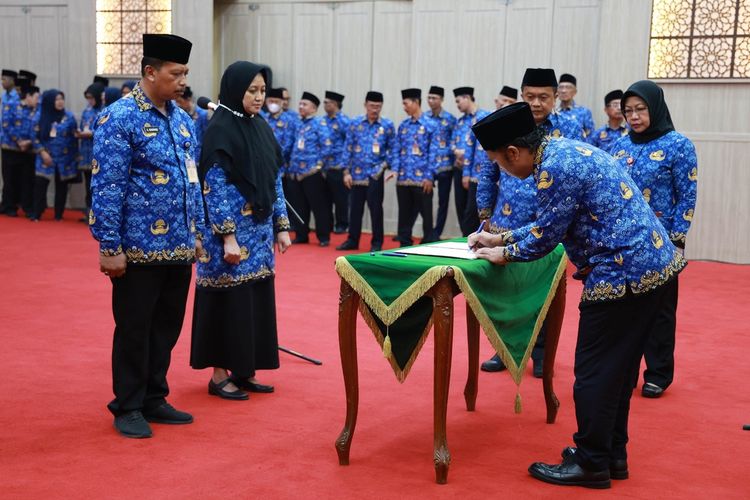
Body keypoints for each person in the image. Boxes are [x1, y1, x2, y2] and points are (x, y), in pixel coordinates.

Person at [469, 102, 686, 489]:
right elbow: (553, 220)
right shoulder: (562, 149)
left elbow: (547, 236)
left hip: (624, 274)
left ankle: (590, 462)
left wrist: (502, 254)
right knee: (617, 373)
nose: (503, 170)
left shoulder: (554, 167)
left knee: (593, 374)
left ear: (514, 152)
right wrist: (500, 236)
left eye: (499, 163)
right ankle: (609, 454)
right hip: (653, 267)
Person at [89, 34, 201, 439]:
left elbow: (194, 181)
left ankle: (155, 396)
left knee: (167, 327)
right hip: (136, 249)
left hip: (179, 246)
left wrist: (199, 233)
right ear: (150, 72)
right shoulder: (119, 118)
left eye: (185, 73)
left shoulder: (183, 120)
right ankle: (129, 404)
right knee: (135, 327)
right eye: (175, 73)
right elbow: (107, 186)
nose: (183, 81)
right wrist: (109, 246)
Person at [190, 60, 292, 400]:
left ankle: (244, 369)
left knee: (253, 301)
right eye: (252, 90)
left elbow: (274, 178)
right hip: (228, 239)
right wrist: (228, 235)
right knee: (227, 302)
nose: (260, 97)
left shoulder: (260, 127)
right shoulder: (220, 129)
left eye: (263, 90)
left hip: (259, 236)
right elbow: (213, 187)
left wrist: (281, 226)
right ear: (235, 90)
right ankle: (219, 375)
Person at [477, 68, 584, 374]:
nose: (536, 103)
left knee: (546, 292)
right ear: (522, 96)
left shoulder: (569, 127)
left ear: (555, 97)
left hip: (550, 224)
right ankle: (506, 349)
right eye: (530, 97)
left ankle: (541, 353)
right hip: (507, 222)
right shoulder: (506, 125)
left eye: (543, 97)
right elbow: (488, 172)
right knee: (508, 294)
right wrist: (485, 214)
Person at [610, 80, 697, 399]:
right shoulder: (619, 145)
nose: (633, 116)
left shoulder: (678, 145)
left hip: (661, 243)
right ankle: (626, 370)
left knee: (659, 310)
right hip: (623, 241)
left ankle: (658, 372)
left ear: (655, 108)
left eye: (640, 109)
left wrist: (678, 239)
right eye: (628, 111)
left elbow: (687, 195)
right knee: (622, 307)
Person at [335, 91, 396, 252]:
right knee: (354, 210)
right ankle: (352, 240)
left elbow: (393, 150)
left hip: (375, 175)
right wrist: (346, 172)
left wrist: (386, 167)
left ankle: (377, 242)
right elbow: (347, 148)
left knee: (376, 210)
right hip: (356, 175)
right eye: (371, 106)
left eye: (378, 106)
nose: (374, 109)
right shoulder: (355, 123)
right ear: (365, 105)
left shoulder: (387, 125)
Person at [286, 91, 332, 246]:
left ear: (313, 108)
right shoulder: (296, 123)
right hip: (295, 172)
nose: (300, 106)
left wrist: (318, 165)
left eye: (304, 104)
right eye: (300, 103)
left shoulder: (320, 123)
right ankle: (301, 234)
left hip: (312, 172)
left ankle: (323, 237)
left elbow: (327, 146)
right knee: (299, 206)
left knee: (319, 206)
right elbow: (291, 144)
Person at [395, 88, 438, 246]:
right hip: (403, 179)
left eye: (406, 103)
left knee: (426, 216)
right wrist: (394, 170)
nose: (404, 107)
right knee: (404, 215)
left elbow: (434, 153)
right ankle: (404, 243)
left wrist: (429, 176)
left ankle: (428, 244)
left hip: (422, 180)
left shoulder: (431, 125)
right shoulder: (403, 126)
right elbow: (396, 150)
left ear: (415, 102)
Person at [31, 89, 79, 221]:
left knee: (61, 187)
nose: (60, 102)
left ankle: (59, 215)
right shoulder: (39, 117)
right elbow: (34, 137)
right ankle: (36, 213)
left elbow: (73, 137)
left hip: (64, 158)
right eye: (57, 99)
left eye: (61, 99)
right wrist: (42, 152)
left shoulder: (69, 117)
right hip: (45, 156)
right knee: (40, 185)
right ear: (49, 101)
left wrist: (74, 157)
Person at [450, 86, 489, 235]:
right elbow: (452, 142)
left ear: (467, 98)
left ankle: (473, 237)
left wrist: (465, 153)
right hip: (459, 168)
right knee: (460, 206)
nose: (457, 105)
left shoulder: (484, 116)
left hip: (476, 172)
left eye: (458, 101)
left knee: (471, 211)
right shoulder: (460, 122)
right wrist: (456, 151)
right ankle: (464, 236)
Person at [426, 85, 456, 240]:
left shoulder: (450, 119)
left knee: (442, 202)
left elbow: (455, 141)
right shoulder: (424, 118)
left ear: (442, 99)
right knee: (425, 200)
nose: (431, 101)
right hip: (429, 167)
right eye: (429, 97)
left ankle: (437, 232)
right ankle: (428, 230)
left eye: (435, 98)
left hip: (445, 166)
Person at [321, 90, 350, 234]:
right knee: (326, 199)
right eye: (325, 102)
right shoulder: (322, 121)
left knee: (341, 199)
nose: (325, 105)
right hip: (324, 167)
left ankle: (342, 224)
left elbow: (349, 143)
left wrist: (347, 166)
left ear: (336, 104)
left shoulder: (344, 121)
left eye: (328, 102)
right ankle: (329, 224)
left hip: (339, 165)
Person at [77, 82, 105, 220]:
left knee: (97, 187)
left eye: (91, 97)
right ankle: (88, 212)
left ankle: (97, 215)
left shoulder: (104, 110)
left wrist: (91, 133)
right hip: (86, 154)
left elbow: (105, 131)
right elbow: (83, 126)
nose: (89, 101)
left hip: (99, 156)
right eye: (87, 98)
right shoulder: (86, 111)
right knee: (87, 185)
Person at [1, 69, 21, 216]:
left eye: (5, 79)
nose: (2, 82)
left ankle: (11, 206)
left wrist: (17, 139)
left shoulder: (16, 97)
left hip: (15, 144)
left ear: (13, 81)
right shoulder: (4, 96)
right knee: (6, 176)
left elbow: (16, 121)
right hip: (5, 142)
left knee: (13, 177)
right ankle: (6, 203)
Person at [557, 73, 595, 141]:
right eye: (561, 87)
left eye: (568, 87)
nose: (563, 91)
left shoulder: (584, 112)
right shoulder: (554, 113)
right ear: (557, 91)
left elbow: (590, 137)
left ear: (575, 92)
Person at [175, 86, 209, 160]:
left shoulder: (202, 114)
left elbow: (206, 136)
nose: (177, 104)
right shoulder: (179, 114)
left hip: (198, 156)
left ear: (188, 99)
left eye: (179, 101)